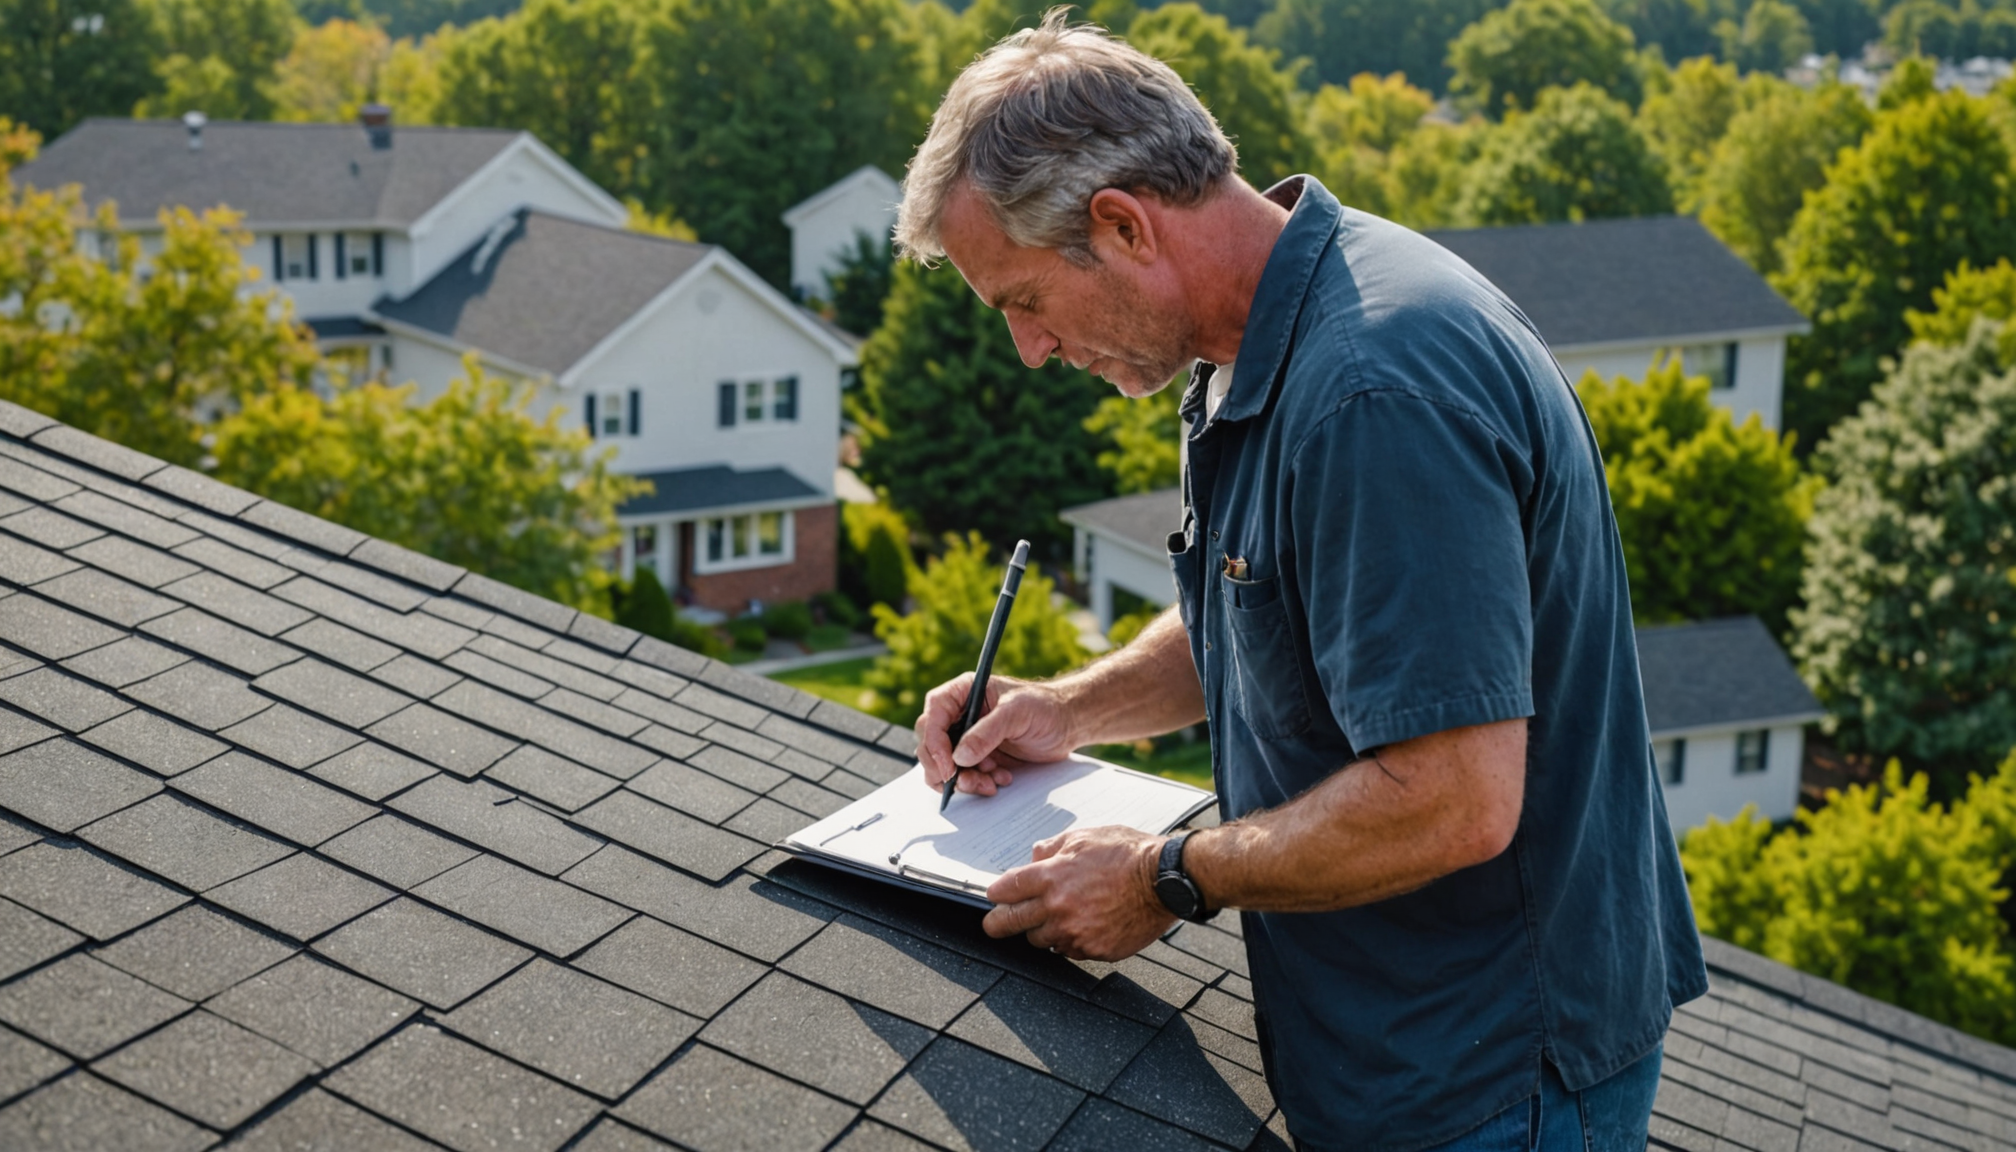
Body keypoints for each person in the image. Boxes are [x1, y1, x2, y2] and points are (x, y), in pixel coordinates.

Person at [895, 12, 1707, 1152]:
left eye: (1022, 304)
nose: (1032, 351)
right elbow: (1271, 609)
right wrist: (1070, 709)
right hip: (1405, 1047)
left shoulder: (1376, 392)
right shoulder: (1260, 327)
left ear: (1124, 225)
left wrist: (1162, 878)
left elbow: (1455, 795)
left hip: (1491, 1082)